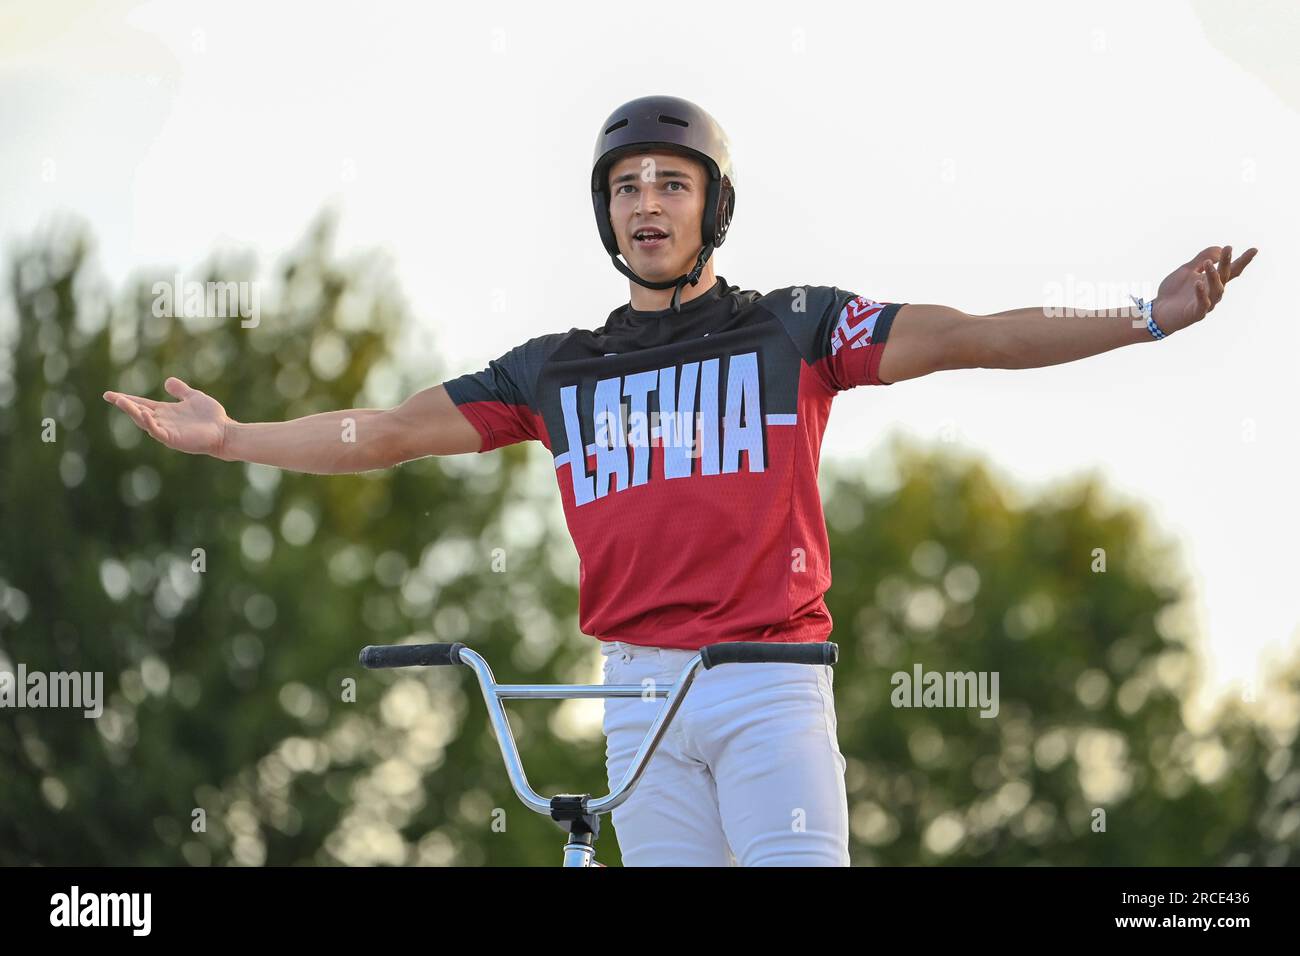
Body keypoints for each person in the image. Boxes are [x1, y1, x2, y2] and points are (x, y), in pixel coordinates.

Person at [104, 94, 1257, 867]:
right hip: (635, 695)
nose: (646, 204)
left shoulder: (794, 329)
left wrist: (1144, 315)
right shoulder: (555, 367)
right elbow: (388, 430)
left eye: (669, 182)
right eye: (624, 187)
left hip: (767, 680)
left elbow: (973, 333)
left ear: (712, 202)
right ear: (604, 213)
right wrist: (234, 435)